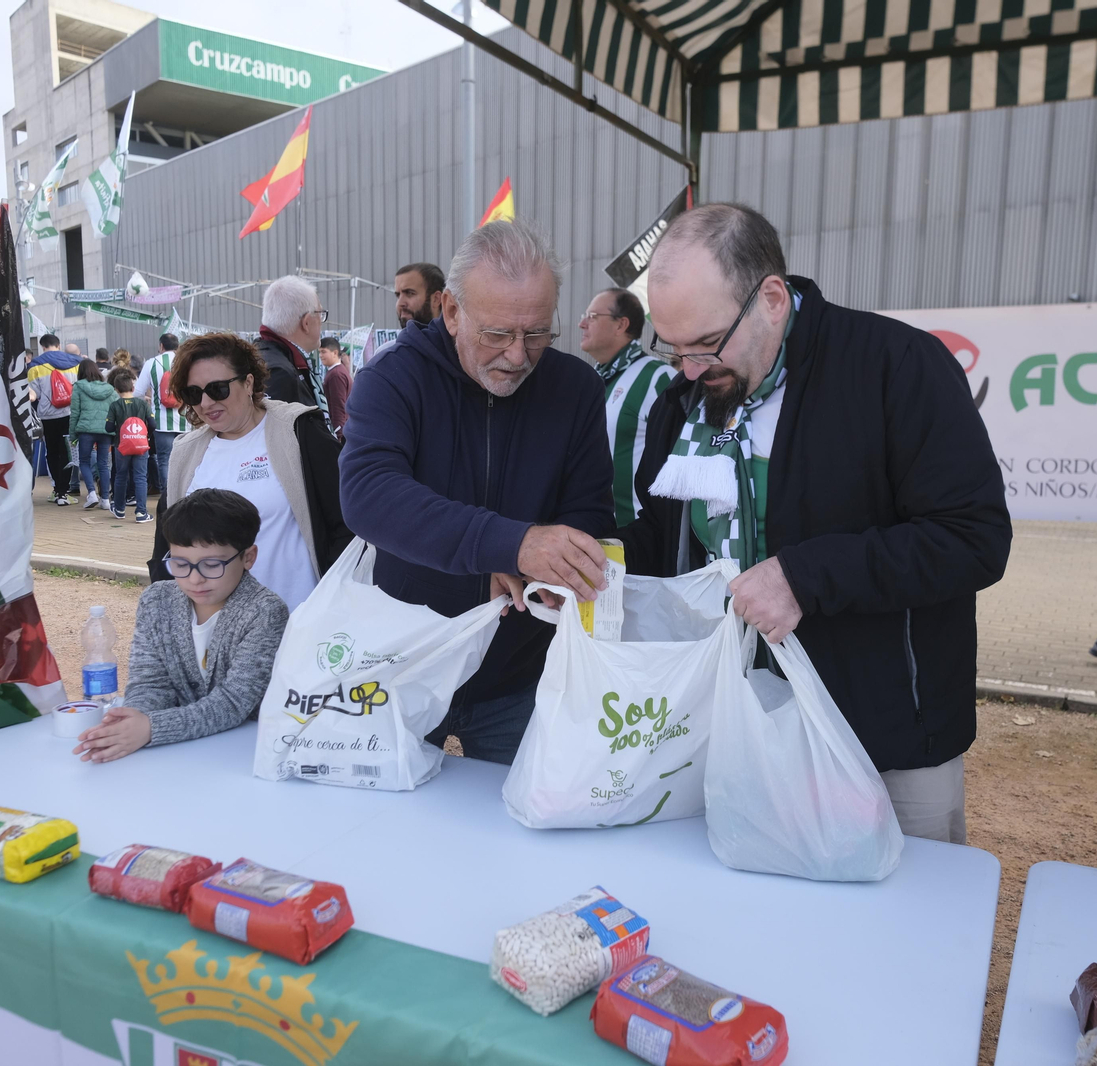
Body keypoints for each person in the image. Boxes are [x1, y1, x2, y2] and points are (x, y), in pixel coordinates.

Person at [615, 204, 1012, 843]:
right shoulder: (687, 400)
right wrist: (593, 557)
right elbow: (670, 544)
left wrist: (805, 577)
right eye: (672, 347)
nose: (688, 369)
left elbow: (973, 538)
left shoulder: (895, 366)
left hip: (887, 739)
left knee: (904, 923)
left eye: (706, 344)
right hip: (736, 725)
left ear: (772, 298)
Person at [340, 221, 614, 764]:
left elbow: (588, 509)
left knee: (528, 828)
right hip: (409, 660)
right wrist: (509, 544)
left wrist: (554, 567)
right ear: (451, 311)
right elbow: (369, 493)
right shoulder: (393, 377)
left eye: (536, 334)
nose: (517, 356)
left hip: (525, 669)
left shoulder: (575, 387)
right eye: (497, 335)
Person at [73, 489, 289, 763]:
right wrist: (132, 719)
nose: (194, 579)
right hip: (176, 753)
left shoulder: (265, 611)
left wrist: (151, 728)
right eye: (180, 564)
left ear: (248, 557)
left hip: (241, 752)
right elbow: (150, 682)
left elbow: (235, 703)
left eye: (211, 565)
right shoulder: (157, 600)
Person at [150, 333, 351, 610]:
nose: (206, 403)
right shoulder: (186, 452)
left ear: (248, 382)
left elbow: (346, 522)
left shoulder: (298, 431)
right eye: (193, 393)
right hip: (216, 632)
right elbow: (166, 545)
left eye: (218, 389)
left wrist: (335, 600)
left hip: (298, 623)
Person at [579, 286, 675, 526]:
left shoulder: (658, 377)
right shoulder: (590, 380)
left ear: (621, 325)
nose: (582, 324)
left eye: (591, 316)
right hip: (594, 534)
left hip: (638, 539)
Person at [255, 276, 330, 425]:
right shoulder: (279, 372)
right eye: (320, 314)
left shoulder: (262, 356)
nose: (322, 323)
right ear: (306, 322)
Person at [25, 333, 83, 506]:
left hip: (47, 416)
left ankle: (56, 489)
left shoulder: (35, 366)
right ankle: (63, 493)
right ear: (58, 345)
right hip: (69, 415)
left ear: (43, 347)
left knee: (51, 452)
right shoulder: (75, 363)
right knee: (67, 453)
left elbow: (32, 395)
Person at [134, 332, 190, 492]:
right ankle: (185, 492)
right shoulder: (186, 362)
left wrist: (151, 399)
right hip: (186, 420)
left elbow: (138, 392)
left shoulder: (152, 363)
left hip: (162, 420)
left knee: (165, 460)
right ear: (177, 346)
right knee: (185, 459)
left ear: (161, 346)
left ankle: (168, 496)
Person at [365, 261, 445, 370]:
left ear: (436, 299)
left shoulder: (460, 353)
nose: (400, 303)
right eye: (398, 295)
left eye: (410, 293)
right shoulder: (387, 356)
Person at [68, 358, 117, 510]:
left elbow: (74, 413)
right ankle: (105, 499)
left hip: (85, 430)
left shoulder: (79, 387)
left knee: (84, 461)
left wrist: (72, 435)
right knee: (103, 464)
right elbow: (115, 409)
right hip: (105, 430)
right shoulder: (109, 389)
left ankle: (91, 493)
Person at [105, 367, 153, 522]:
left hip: (121, 446)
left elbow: (109, 428)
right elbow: (152, 423)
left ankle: (119, 509)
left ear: (116, 389)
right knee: (140, 477)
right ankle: (141, 513)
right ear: (133, 388)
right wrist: (146, 435)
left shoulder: (115, 405)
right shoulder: (142, 404)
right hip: (140, 445)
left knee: (121, 476)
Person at [318, 336, 351, 437]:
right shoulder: (337, 371)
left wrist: (338, 433)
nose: (320, 355)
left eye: (323, 352)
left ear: (335, 353)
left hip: (340, 430)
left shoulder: (336, 374)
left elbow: (338, 405)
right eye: (319, 352)